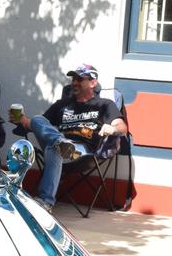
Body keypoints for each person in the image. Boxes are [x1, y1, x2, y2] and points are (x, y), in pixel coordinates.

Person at [11, 64, 126, 211]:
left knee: (55, 149)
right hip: (59, 141)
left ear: (93, 83)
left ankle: (45, 201)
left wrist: (113, 128)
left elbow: (122, 127)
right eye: (73, 79)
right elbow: (38, 125)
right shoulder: (62, 105)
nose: (74, 82)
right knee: (38, 120)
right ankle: (60, 142)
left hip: (83, 150)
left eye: (80, 79)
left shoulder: (104, 104)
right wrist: (21, 120)